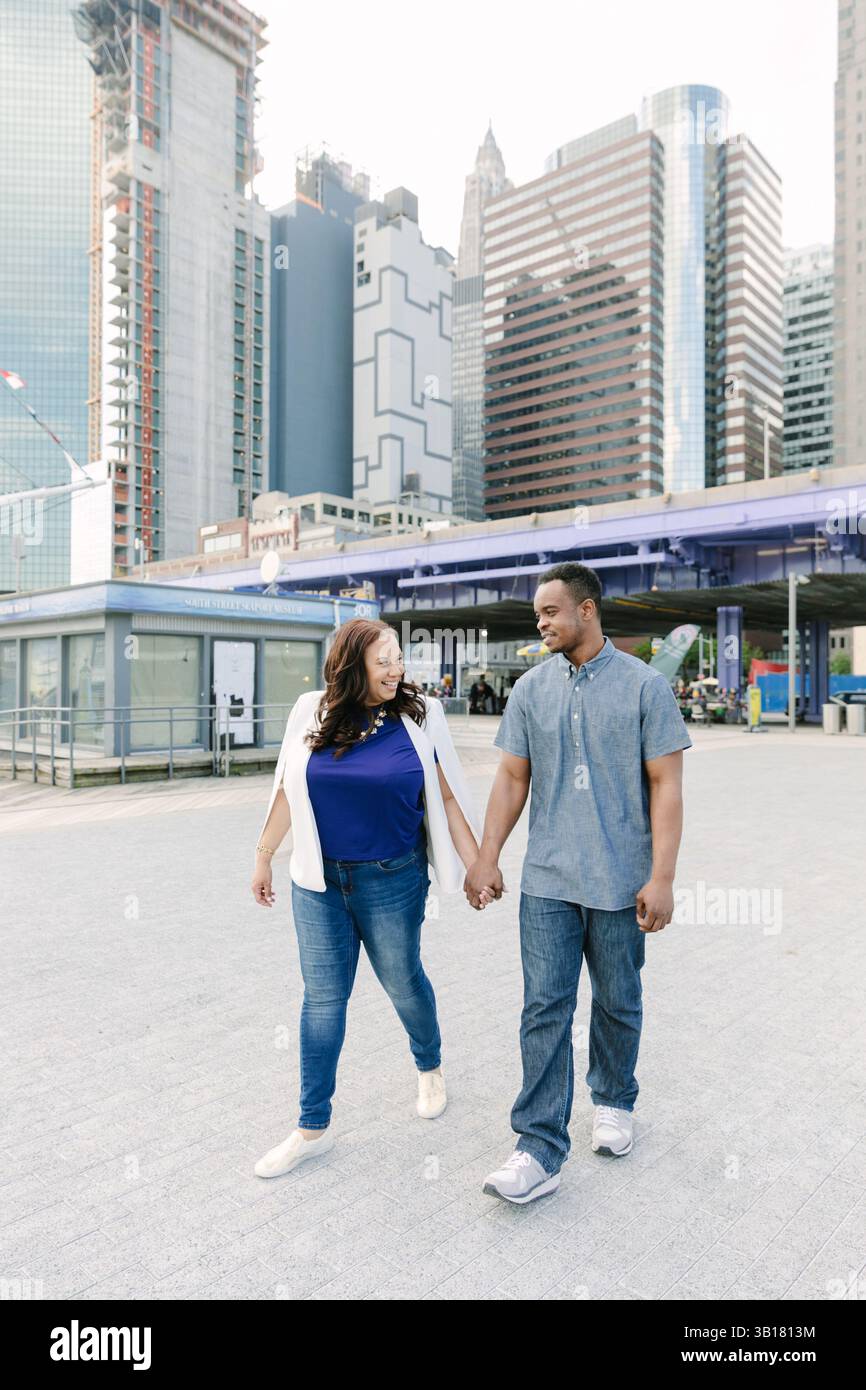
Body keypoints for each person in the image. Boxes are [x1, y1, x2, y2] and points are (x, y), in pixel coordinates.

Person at [464, 563, 692, 1205]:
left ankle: (615, 1099)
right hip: (548, 881)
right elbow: (512, 780)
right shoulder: (531, 689)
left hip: (622, 881)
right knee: (544, 1009)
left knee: (618, 998)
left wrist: (663, 877)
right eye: (538, 614)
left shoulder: (647, 688)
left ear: (587, 611)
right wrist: (487, 856)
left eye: (550, 612)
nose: (540, 623)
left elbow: (666, 785)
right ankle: (538, 1147)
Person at [250, 619, 495, 1179]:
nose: (396, 669)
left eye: (400, 659)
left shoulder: (419, 716)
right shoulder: (311, 710)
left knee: (403, 979)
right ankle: (311, 1127)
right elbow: (288, 787)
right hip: (318, 885)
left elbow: (450, 798)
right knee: (322, 1001)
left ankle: (429, 1066)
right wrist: (264, 853)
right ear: (352, 662)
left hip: (393, 880)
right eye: (384, 660)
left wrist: (479, 863)